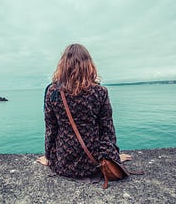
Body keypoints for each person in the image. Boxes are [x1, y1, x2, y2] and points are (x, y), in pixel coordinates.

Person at [37, 43, 131, 180]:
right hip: (94, 164)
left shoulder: (53, 92)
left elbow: (51, 128)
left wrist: (49, 158)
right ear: (89, 65)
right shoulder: (100, 92)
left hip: (63, 164)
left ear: (63, 65)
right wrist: (113, 157)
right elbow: (107, 130)